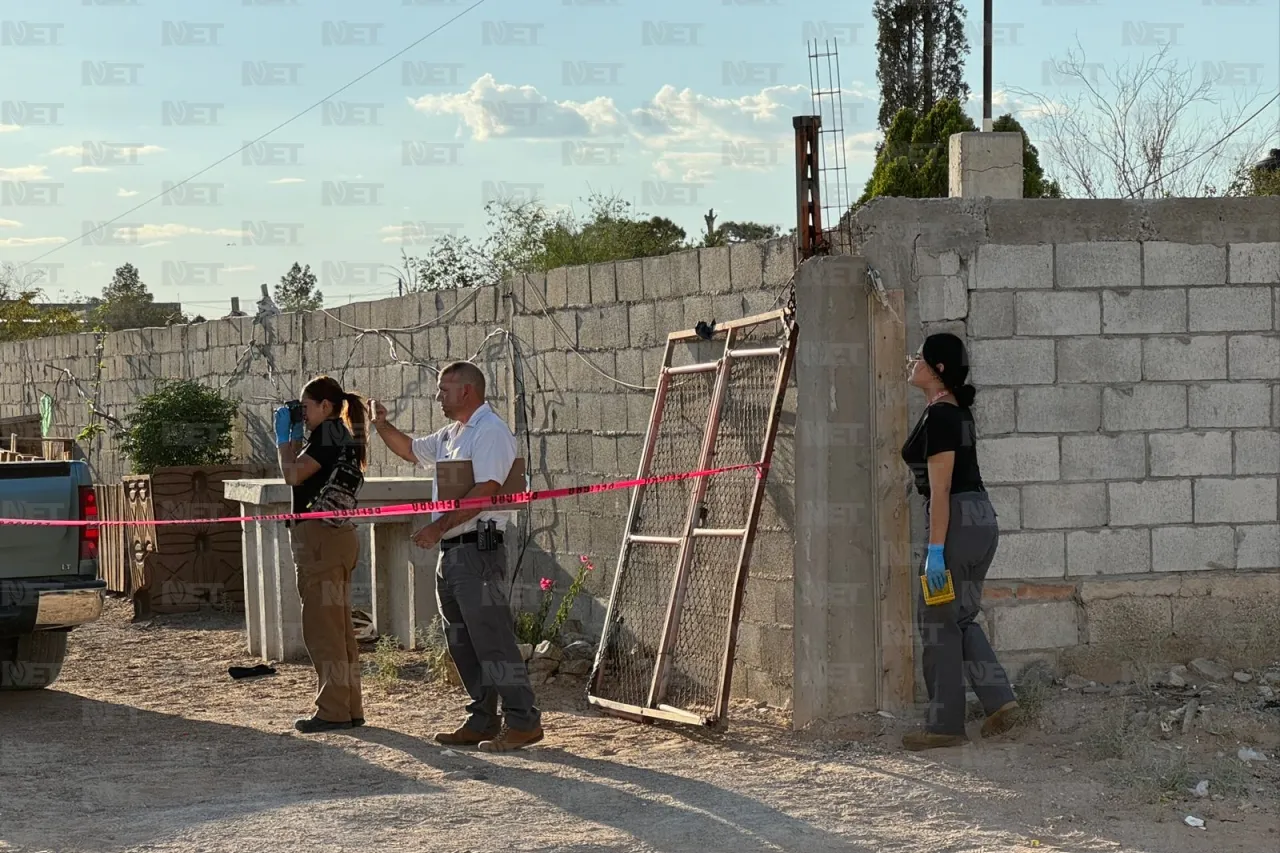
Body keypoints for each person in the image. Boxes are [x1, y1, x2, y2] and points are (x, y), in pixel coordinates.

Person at [370, 361, 543, 752]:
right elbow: (411, 451)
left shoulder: (491, 432)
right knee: (462, 641)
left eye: (444, 390)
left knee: (493, 639)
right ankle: (482, 718)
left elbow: (485, 493)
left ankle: (523, 721)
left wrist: (437, 527)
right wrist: (380, 425)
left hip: (476, 551)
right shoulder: (452, 434)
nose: (438, 397)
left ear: (467, 391)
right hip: (455, 553)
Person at [899, 333, 1019, 751]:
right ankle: (1001, 703)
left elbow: (942, 491)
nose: (913, 362)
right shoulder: (955, 412)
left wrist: (935, 552)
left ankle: (944, 725)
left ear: (940, 370)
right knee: (960, 618)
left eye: (922, 358)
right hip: (981, 520)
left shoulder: (942, 418)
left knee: (937, 621)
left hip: (958, 524)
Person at [274, 375, 369, 734]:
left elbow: (293, 475)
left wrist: (284, 439)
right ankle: (348, 707)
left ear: (325, 406)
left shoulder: (329, 433)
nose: (303, 413)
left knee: (322, 629)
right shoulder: (335, 435)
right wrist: (298, 434)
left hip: (321, 542)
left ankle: (332, 710)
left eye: (306, 406)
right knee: (339, 628)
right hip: (334, 540)